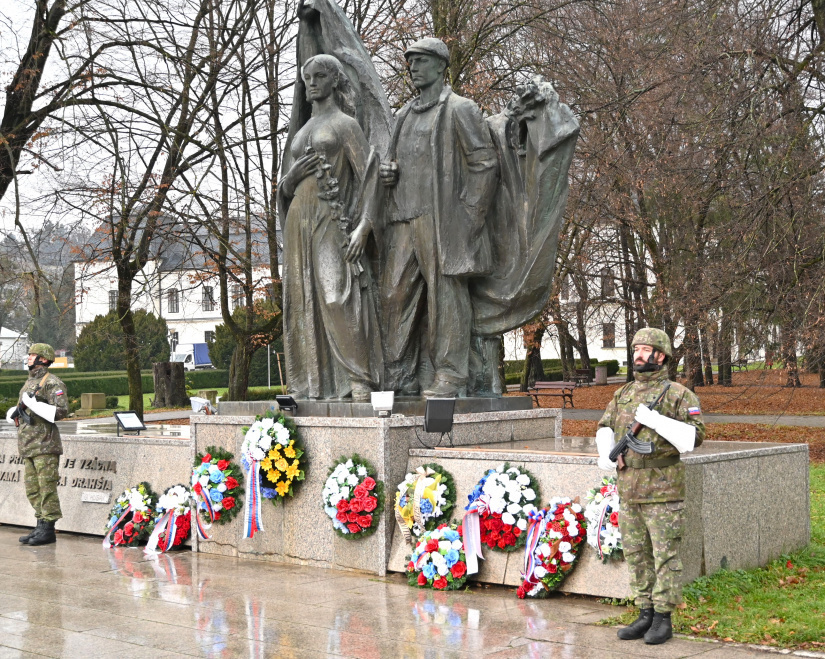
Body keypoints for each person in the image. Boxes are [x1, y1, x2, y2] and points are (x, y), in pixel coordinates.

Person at [378, 37, 499, 397]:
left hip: (442, 221)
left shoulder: (460, 109)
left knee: (447, 298)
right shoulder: (402, 116)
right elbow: (394, 162)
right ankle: (400, 374)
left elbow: (485, 163)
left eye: (420, 60)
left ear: (440, 66)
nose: (413, 67)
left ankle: (451, 374)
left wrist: (468, 219)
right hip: (403, 219)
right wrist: (388, 174)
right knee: (392, 296)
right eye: (410, 61)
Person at [279, 53, 382, 401]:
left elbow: (369, 177)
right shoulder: (303, 129)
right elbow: (284, 186)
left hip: (328, 217)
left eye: (319, 75)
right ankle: (307, 382)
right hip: (298, 219)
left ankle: (359, 379)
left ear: (335, 80)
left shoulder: (345, 125)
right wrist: (289, 179)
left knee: (336, 294)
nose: (311, 82)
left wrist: (365, 226)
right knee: (300, 298)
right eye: (307, 76)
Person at [594, 328, 705, 645]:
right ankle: (644, 613)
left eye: (645, 349)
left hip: (663, 491)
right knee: (636, 555)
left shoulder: (678, 395)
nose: (638, 355)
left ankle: (662, 618)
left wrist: (657, 421)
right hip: (629, 489)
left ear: (662, 355)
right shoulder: (623, 392)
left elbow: (693, 438)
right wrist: (606, 452)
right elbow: (604, 425)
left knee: (665, 557)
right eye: (636, 349)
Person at [7, 344, 69, 546]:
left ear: (43, 358)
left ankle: (48, 529)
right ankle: (40, 525)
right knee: (33, 489)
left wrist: (35, 404)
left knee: (47, 488)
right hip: (29, 445)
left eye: (32, 355)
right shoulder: (30, 382)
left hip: (45, 445)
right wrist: (15, 412)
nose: (28, 357)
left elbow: (61, 411)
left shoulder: (51, 382)